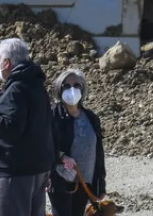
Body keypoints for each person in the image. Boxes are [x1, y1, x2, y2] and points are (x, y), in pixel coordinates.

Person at [0, 38, 54, 216]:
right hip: (38, 168)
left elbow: (10, 129)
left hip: (18, 171)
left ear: (7, 62)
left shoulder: (16, 89)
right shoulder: (37, 87)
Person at [48, 68, 106, 216]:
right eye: (66, 86)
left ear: (83, 89)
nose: (72, 90)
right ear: (59, 89)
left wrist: (100, 184)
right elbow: (44, 145)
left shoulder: (91, 118)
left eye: (76, 85)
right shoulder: (52, 115)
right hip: (61, 179)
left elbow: (99, 152)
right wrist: (61, 157)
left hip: (85, 181)